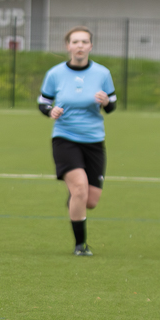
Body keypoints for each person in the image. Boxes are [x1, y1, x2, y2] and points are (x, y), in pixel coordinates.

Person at [38, 26, 117, 256]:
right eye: (75, 42)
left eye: (84, 42)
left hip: (94, 140)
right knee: (80, 189)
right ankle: (80, 245)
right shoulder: (55, 73)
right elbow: (43, 102)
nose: (80, 46)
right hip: (65, 138)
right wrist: (50, 111)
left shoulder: (102, 73)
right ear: (68, 46)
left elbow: (112, 106)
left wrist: (105, 102)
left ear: (91, 46)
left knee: (89, 200)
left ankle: (76, 199)